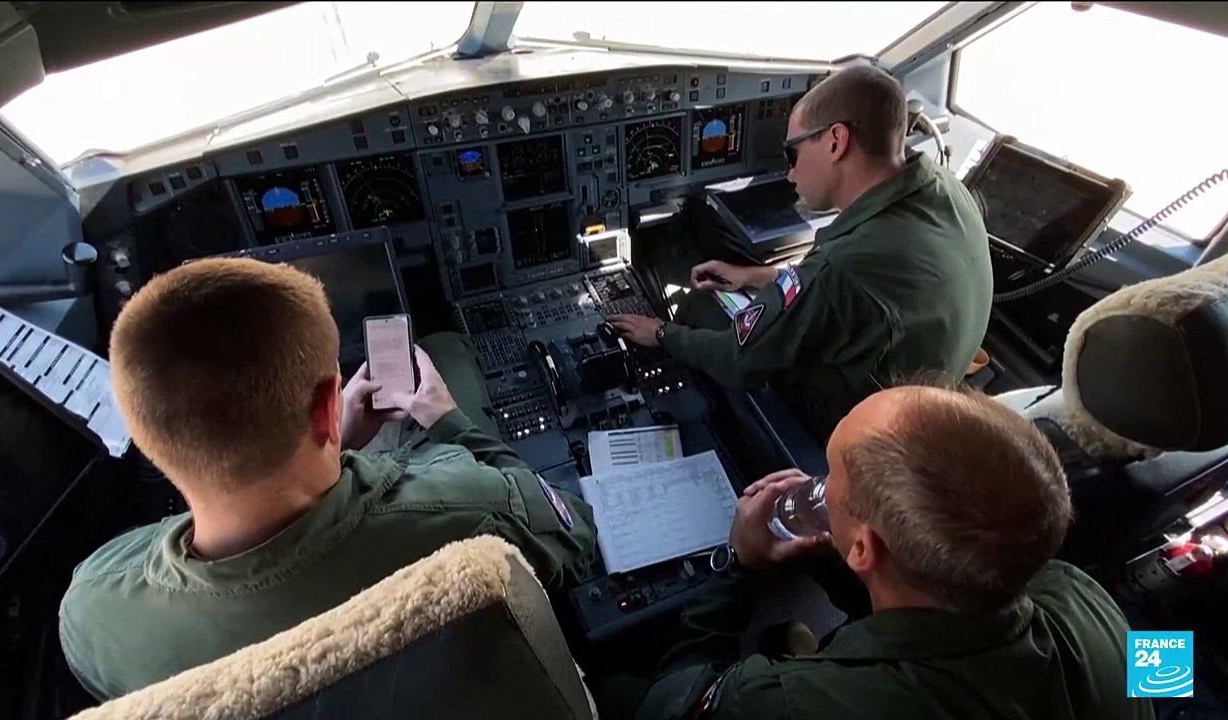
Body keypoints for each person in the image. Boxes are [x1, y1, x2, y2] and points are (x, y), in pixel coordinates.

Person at [58, 258, 597, 700]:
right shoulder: (471, 510)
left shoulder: (93, 609)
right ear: (327, 407)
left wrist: (332, 446)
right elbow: (576, 533)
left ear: (147, 437)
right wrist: (450, 422)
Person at [630, 382, 1152, 720]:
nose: (816, 486)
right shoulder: (1086, 594)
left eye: (831, 476)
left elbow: (667, 707)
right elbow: (1164, 688)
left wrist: (736, 566)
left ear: (864, 547)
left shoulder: (782, 702)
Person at [608, 65, 993, 445]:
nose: (790, 174)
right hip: (925, 393)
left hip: (865, 432)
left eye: (791, 153)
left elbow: (736, 358)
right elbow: (838, 284)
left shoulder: (841, 268)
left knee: (701, 307)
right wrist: (753, 275)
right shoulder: (948, 189)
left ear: (836, 141)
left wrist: (660, 332)